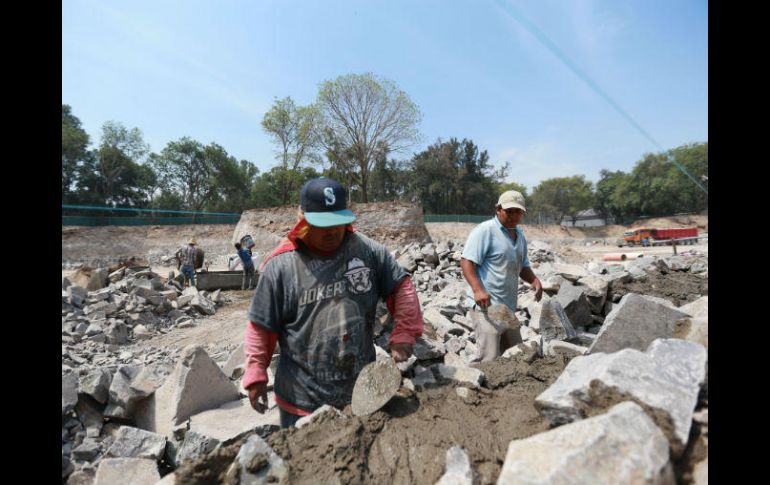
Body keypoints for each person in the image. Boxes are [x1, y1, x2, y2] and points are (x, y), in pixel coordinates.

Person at [241, 177, 423, 428]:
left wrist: (404, 332)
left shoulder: (368, 252)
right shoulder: (281, 266)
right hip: (301, 403)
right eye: (322, 224)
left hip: (361, 394)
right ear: (302, 218)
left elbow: (401, 287)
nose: (332, 231)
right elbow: (262, 325)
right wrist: (255, 372)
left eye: (338, 222)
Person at [460, 191, 543, 360]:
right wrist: (477, 290)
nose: (513, 216)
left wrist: (534, 280)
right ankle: (479, 385)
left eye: (517, 212)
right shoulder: (485, 231)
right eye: (509, 211)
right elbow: (467, 262)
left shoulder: (519, 236)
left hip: (507, 308)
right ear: (498, 209)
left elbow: (522, 266)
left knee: (516, 354)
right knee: (489, 358)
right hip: (486, 306)